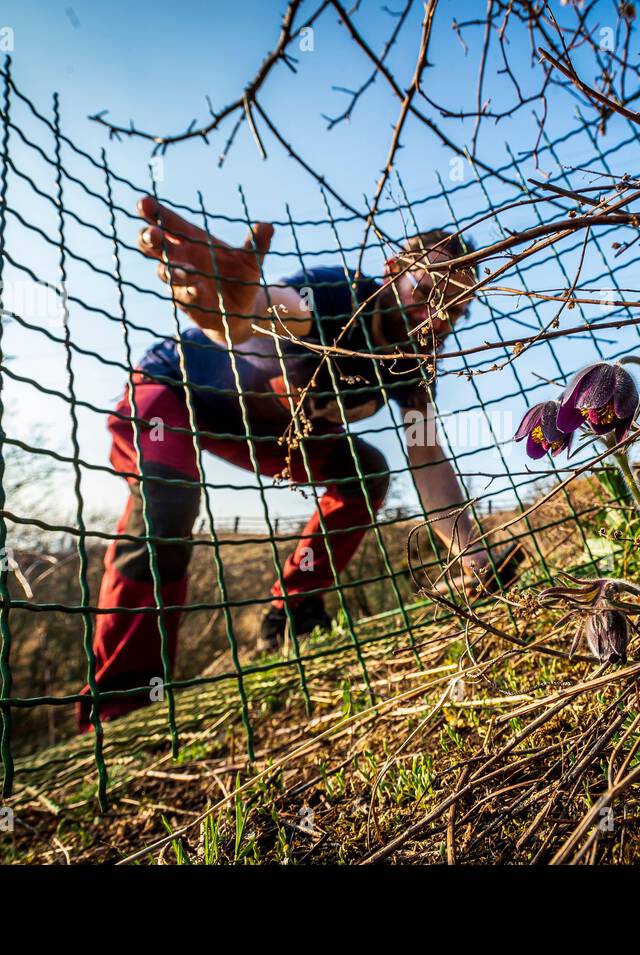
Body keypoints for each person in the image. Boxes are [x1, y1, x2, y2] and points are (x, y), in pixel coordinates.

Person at [78, 197, 519, 729]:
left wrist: (473, 556)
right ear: (394, 272)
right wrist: (238, 308)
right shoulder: (334, 293)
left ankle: (291, 614)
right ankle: (123, 704)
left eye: (456, 307)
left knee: (367, 472)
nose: (438, 317)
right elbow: (273, 310)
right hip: (175, 390)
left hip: (270, 429)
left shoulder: (415, 365)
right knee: (168, 505)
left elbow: (427, 458)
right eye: (427, 293)